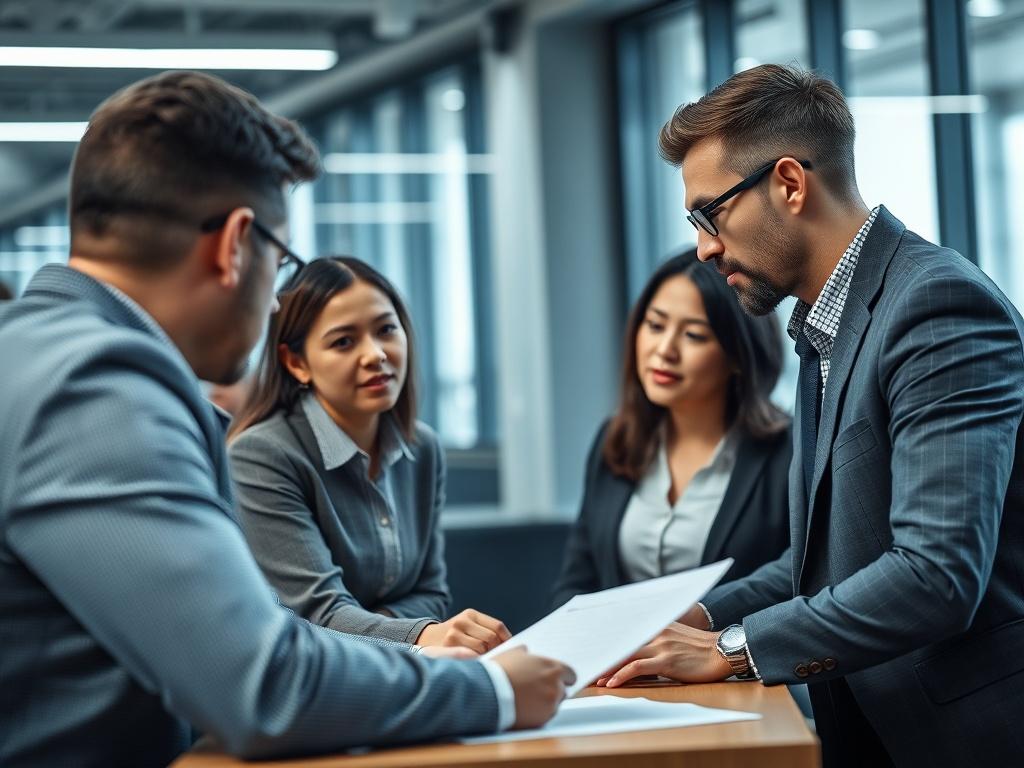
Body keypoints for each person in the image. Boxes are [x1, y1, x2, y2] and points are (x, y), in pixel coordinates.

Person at [0, 70, 572, 768]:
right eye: (282, 258)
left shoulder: (34, 351)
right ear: (235, 243)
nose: (275, 298)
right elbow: (262, 685)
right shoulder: (95, 387)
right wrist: (490, 690)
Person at [598, 64, 1024, 767]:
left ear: (789, 184)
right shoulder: (825, 327)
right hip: (872, 727)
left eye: (711, 213)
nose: (705, 248)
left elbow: (936, 576)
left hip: (968, 736)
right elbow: (821, 561)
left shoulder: (936, 306)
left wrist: (735, 651)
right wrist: (693, 619)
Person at [228, 256, 511, 652]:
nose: (375, 354)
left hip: (396, 673)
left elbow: (431, 592)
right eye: (344, 341)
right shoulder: (262, 455)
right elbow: (317, 614)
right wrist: (420, 632)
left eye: (386, 330)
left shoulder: (422, 448)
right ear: (297, 363)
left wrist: (367, 626)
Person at [551, 249, 791, 608]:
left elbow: (797, 578)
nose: (664, 350)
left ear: (738, 356)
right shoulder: (615, 441)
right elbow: (577, 583)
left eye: (693, 335)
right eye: (655, 325)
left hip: (728, 659)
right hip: (621, 664)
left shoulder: (789, 452)